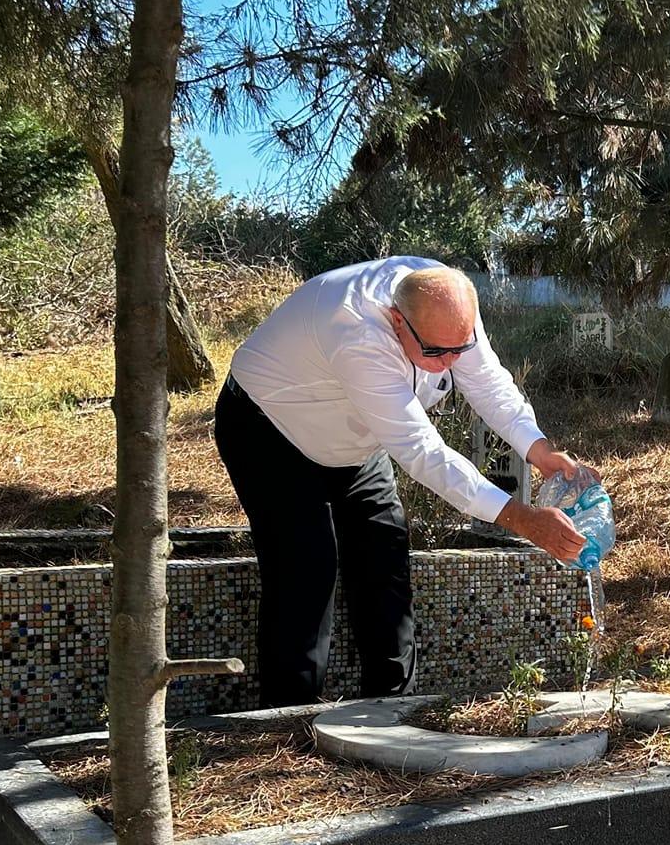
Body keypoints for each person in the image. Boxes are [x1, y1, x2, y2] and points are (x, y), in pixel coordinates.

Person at [215, 257, 592, 706]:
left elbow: (488, 382)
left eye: (459, 348)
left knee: (384, 551)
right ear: (397, 321)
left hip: (354, 434)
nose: (450, 362)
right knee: (307, 564)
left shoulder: (447, 303)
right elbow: (422, 452)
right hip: (269, 425)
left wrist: (539, 449)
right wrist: (522, 519)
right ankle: (290, 721)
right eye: (435, 353)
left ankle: (393, 707)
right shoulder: (355, 329)